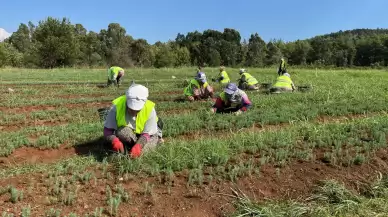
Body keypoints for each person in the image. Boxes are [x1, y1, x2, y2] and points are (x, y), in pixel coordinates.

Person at [103, 83, 163, 158]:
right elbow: (107, 130)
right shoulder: (117, 107)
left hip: (149, 134)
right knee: (122, 132)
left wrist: (139, 145)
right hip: (131, 132)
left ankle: (157, 141)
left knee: (141, 154)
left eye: (137, 110)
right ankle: (131, 146)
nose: (133, 112)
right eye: (131, 109)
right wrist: (114, 141)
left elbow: (147, 134)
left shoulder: (150, 109)